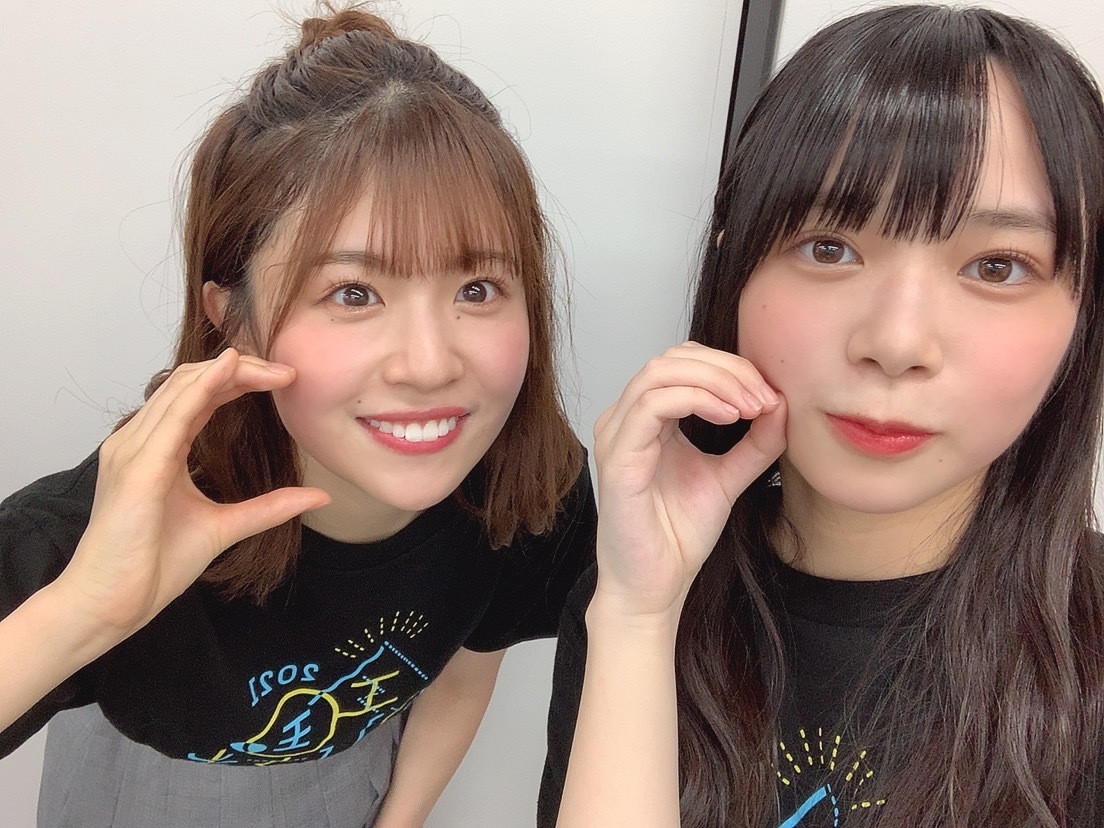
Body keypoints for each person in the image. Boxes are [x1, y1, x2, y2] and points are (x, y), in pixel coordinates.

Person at [0, 6, 595, 827]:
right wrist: (85, 610)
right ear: (233, 320)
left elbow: (467, 663)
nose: (429, 363)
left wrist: (398, 818)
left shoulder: (529, 489)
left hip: (350, 777)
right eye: (353, 293)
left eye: (476, 288)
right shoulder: (93, 530)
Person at [539, 5, 1104, 826]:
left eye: (996, 266)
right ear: (736, 270)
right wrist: (636, 617)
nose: (896, 343)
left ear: (1083, 315)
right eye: (829, 248)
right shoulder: (635, 595)